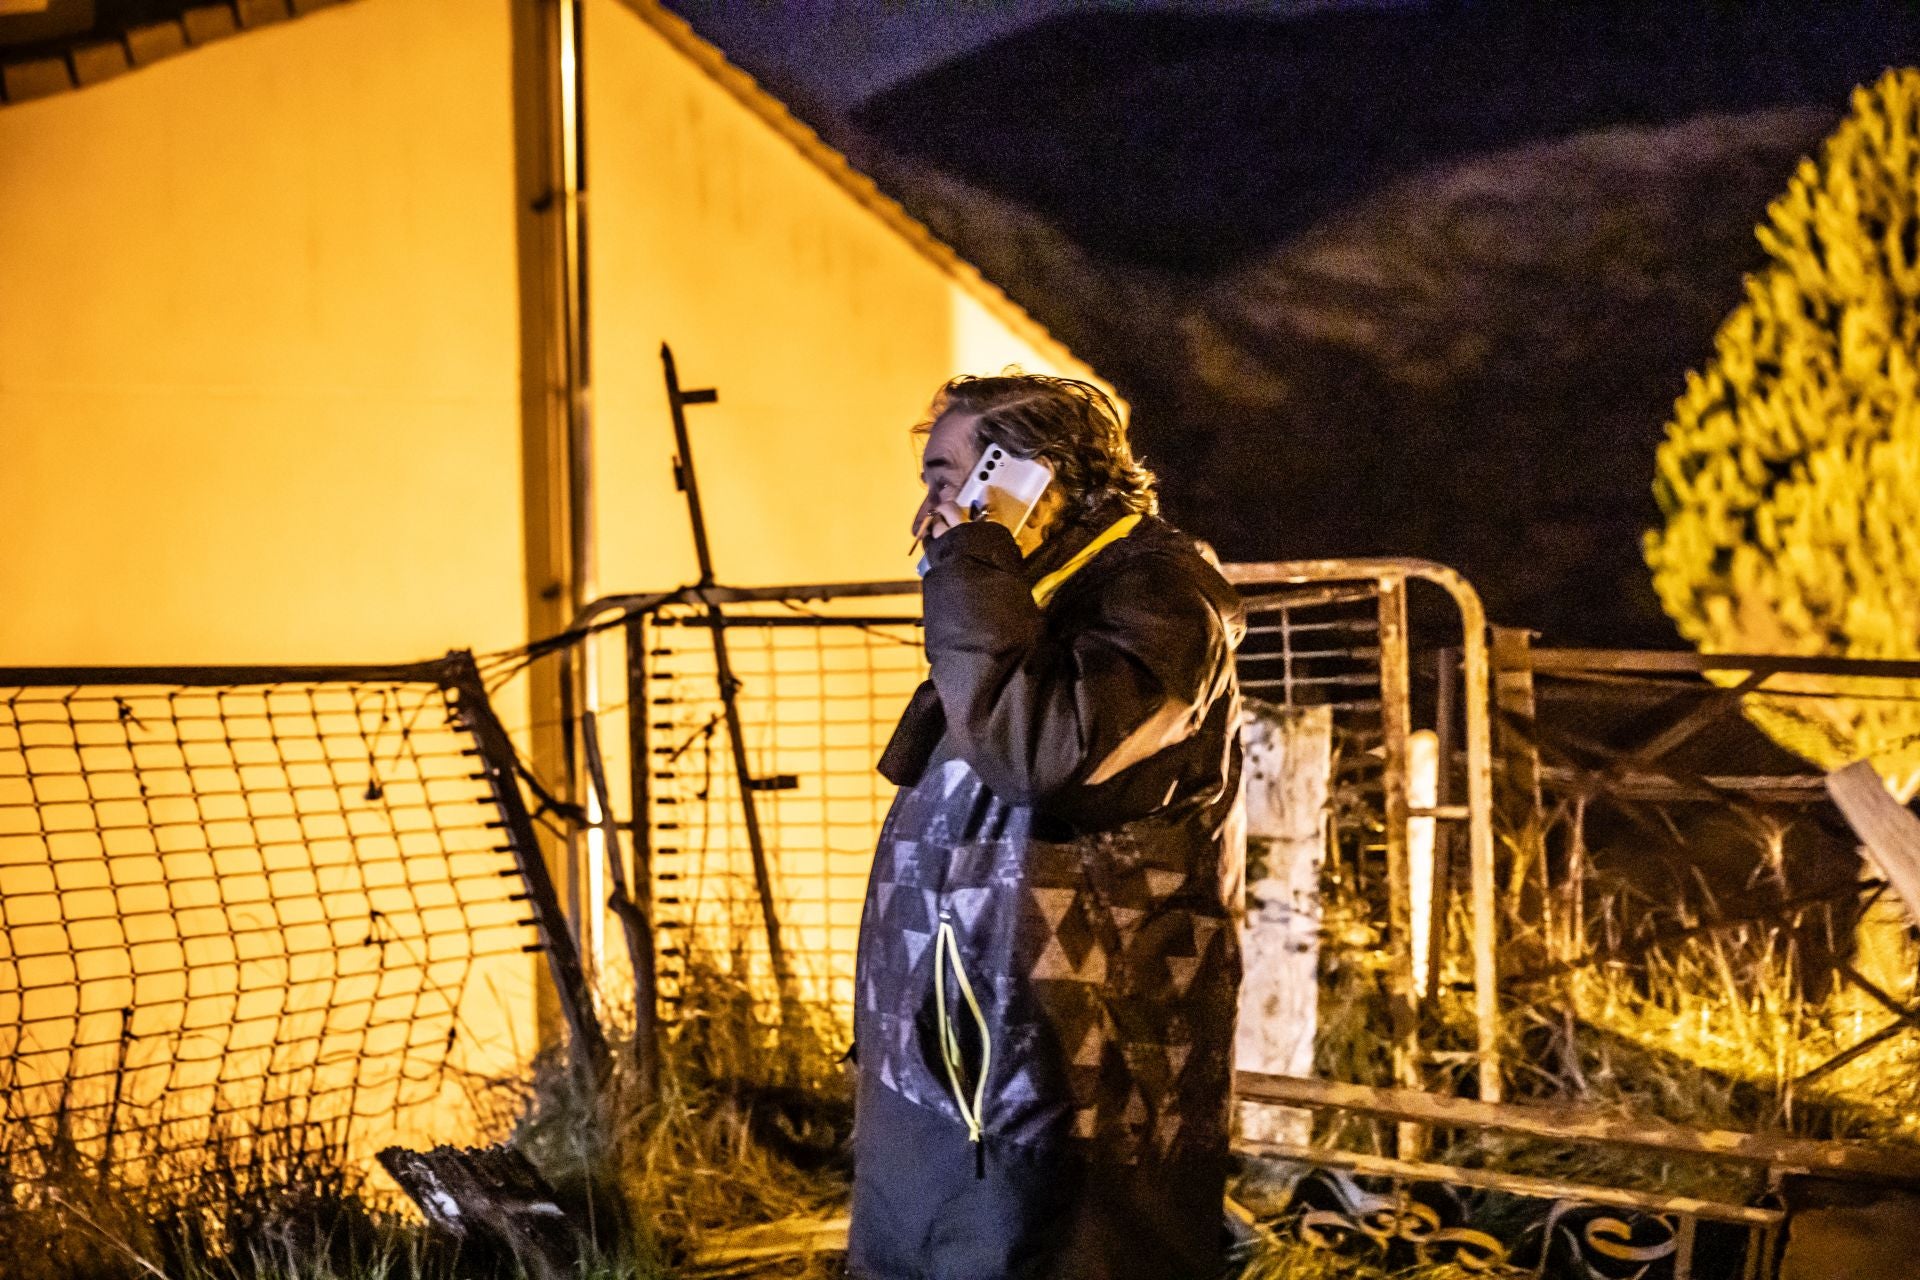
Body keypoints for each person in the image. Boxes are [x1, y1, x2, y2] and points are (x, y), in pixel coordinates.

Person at [849, 373, 1247, 1280]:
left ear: (1030, 474)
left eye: (950, 477)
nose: (931, 510)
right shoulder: (1031, 597)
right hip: (966, 1068)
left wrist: (973, 564)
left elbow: (1036, 752)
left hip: (1072, 1082)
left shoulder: (1161, 596)